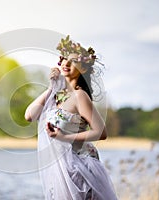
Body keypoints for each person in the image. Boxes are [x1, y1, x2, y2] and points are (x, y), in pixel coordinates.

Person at [25, 35, 118, 200]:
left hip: (80, 166)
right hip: (61, 168)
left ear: (83, 68)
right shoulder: (56, 96)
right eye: (64, 59)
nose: (67, 64)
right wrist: (51, 88)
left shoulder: (80, 95)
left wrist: (64, 137)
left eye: (74, 61)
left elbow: (101, 132)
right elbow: (29, 115)